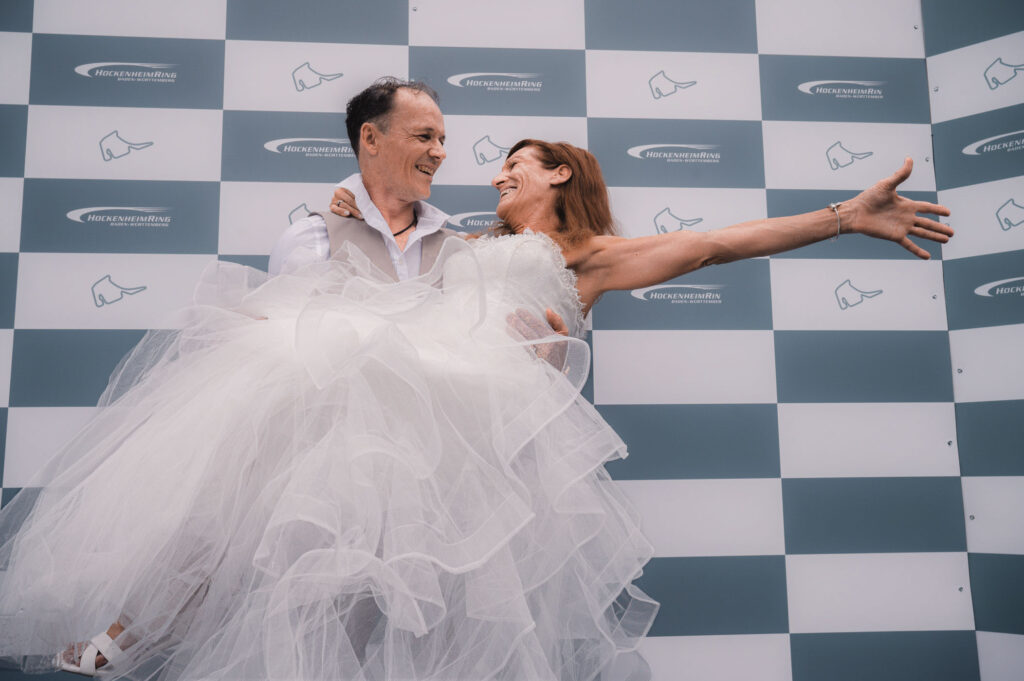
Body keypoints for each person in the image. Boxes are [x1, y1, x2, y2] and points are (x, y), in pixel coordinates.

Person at [0, 131, 951, 681]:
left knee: (408, 604)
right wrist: (348, 204)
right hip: (389, 401)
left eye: (516, 163)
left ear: (562, 174)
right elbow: (376, 260)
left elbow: (714, 245)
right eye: (493, 164)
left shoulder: (590, 257)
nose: (496, 174)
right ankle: (125, 641)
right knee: (250, 502)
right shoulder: (455, 237)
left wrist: (840, 218)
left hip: (475, 436)